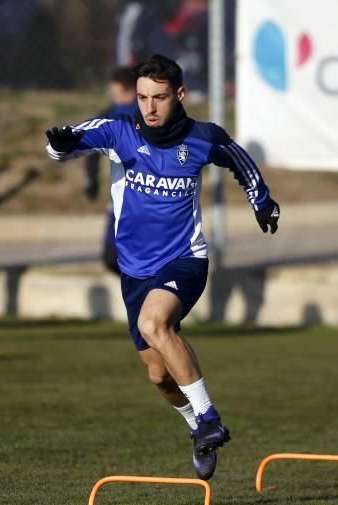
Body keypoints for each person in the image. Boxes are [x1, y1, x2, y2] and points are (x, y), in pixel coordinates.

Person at [46, 54, 280, 479]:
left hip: (184, 260)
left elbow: (239, 160)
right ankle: (197, 427)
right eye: (142, 97)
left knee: (156, 324)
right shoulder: (118, 131)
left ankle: (209, 417)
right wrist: (59, 146)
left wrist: (262, 202)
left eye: (159, 97)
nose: (149, 108)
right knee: (158, 375)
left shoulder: (201, 137)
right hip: (135, 272)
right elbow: (63, 145)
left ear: (180, 95)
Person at [84, 67, 138, 274]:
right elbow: (91, 145)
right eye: (114, 94)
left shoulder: (148, 115)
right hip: (121, 195)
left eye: (121, 94)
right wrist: (91, 178)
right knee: (111, 257)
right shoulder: (109, 115)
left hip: (148, 196)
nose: (118, 99)